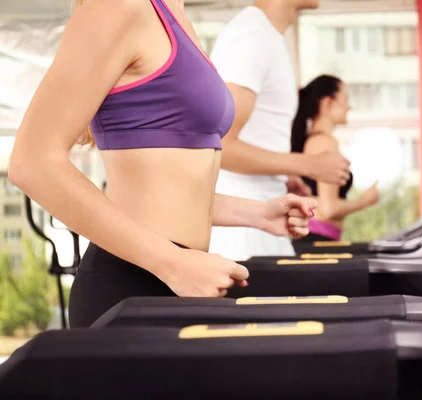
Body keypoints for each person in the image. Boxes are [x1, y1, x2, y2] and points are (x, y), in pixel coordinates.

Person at [8, 0, 316, 328]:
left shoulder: (173, 14)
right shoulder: (119, 7)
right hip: (133, 283)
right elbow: (31, 163)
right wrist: (173, 264)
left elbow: (163, 189)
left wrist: (254, 213)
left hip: (178, 275)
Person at [208, 0, 351, 261]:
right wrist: (307, 164)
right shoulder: (252, 36)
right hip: (243, 231)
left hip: (265, 218)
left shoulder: (267, 37)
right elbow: (219, 146)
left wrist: (281, 174)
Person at [291, 75, 379, 242]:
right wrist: (366, 200)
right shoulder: (324, 143)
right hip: (317, 239)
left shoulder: (317, 141)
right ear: (327, 103)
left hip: (319, 238)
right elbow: (329, 208)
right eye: (345, 99)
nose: (348, 106)